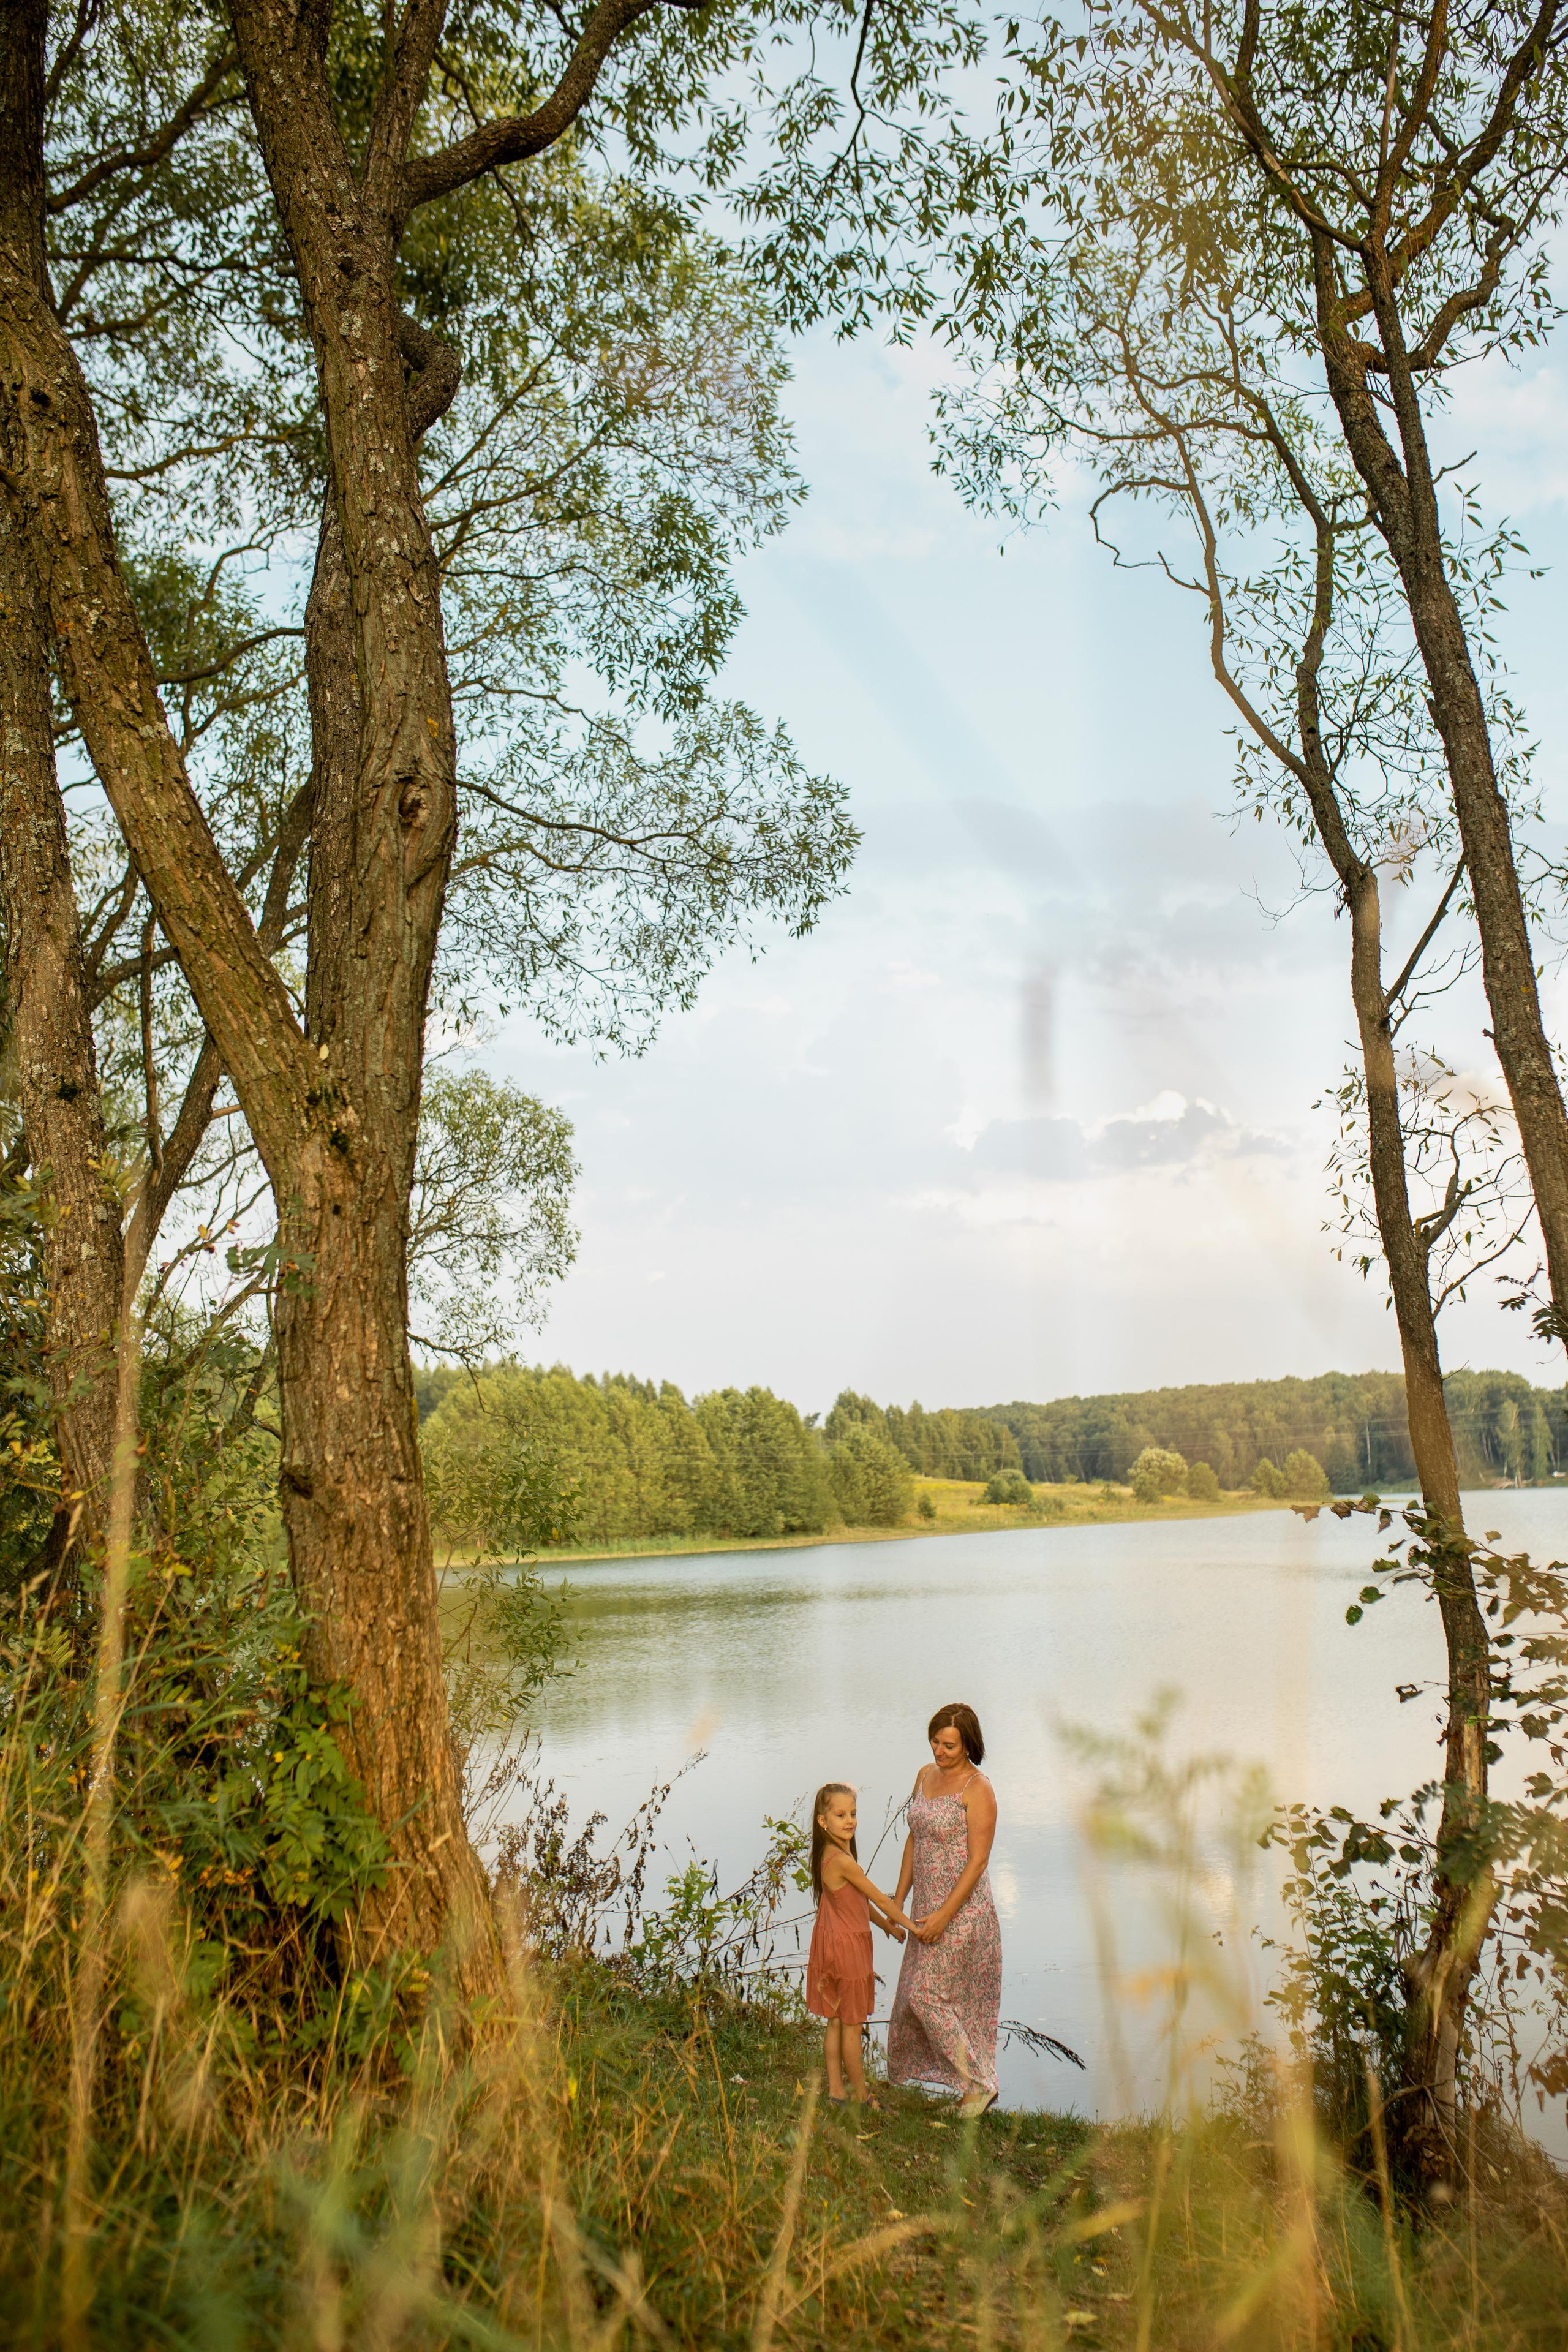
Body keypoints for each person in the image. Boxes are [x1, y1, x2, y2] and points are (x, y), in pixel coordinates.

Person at [887, 1702, 1002, 2119]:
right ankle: (971, 2088)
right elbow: (914, 1840)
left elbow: (978, 1861)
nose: (939, 1751)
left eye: (949, 1745)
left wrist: (944, 1917)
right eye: (935, 1741)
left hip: (963, 1910)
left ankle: (979, 2086)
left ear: (969, 1744)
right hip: (923, 1906)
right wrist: (897, 1904)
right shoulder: (924, 1776)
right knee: (915, 1997)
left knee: (928, 1994)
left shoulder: (978, 1788)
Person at [805, 1782, 912, 2106]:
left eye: (853, 1813)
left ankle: (836, 2093)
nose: (849, 1820)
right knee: (852, 2025)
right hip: (846, 1948)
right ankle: (861, 2096)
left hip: (831, 1943)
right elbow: (878, 1897)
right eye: (840, 1815)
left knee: (836, 2020)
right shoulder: (841, 1860)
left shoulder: (833, 1852)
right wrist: (914, 1928)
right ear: (823, 1821)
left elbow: (858, 1904)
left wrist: (887, 1928)